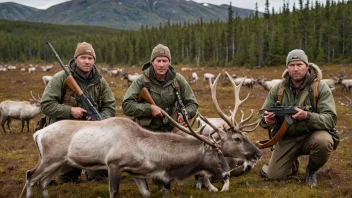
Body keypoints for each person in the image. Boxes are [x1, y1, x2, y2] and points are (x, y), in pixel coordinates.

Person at [259, 49, 337, 187]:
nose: (296, 69)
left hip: (311, 136)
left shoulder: (320, 87)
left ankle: (311, 170)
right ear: (287, 68)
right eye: (292, 65)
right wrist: (266, 120)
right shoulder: (278, 88)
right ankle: (292, 164)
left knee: (324, 141)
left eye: (299, 64)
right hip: (287, 138)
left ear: (307, 66)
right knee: (273, 177)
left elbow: (330, 119)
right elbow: (263, 114)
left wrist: (307, 116)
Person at [40, 42, 116, 184]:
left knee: (101, 177)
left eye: (90, 58)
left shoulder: (100, 81)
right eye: (83, 57)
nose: (87, 61)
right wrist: (70, 110)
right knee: (68, 180)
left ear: (94, 60)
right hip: (66, 135)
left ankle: (93, 173)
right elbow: (46, 104)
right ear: (75, 59)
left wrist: (100, 120)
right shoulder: (61, 78)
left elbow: (110, 107)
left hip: (92, 134)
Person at [122, 44, 198, 132]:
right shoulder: (140, 81)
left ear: (169, 63)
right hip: (145, 133)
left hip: (173, 131)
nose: (161, 65)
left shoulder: (178, 80)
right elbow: (126, 106)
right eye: (158, 61)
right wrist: (150, 109)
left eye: (165, 61)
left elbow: (192, 104)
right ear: (152, 62)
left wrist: (186, 114)